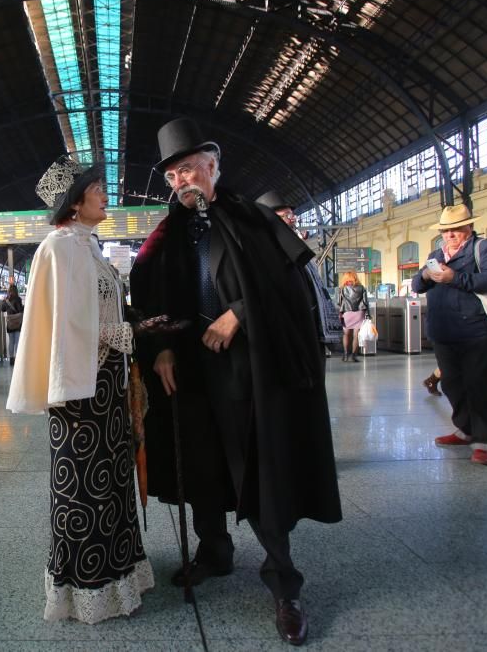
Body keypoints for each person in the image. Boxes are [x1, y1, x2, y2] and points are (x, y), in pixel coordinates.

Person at [129, 118, 341, 646]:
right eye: (174, 174)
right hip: (190, 369)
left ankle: (283, 584)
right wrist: (162, 351)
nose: (183, 180)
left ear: (213, 167)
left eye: (191, 169)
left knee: (260, 464)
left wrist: (239, 314)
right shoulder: (165, 235)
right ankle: (214, 551)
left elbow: (289, 287)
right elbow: (151, 301)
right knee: (200, 462)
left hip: (249, 366)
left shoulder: (250, 219)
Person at [7, 155, 152, 624]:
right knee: (83, 488)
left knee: (111, 480)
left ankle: (118, 574)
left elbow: (99, 312)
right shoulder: (62, 246)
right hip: (79, 388)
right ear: (75, 202)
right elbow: (70, 324)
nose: (106, 196)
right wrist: (128, 334)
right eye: (98, 190)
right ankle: (87, 583)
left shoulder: (88, 246)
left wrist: (131, 327)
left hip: (103, 382)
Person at [411, 205, 487, 466]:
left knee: (479, 384)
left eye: (456, 229)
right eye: (446, 230)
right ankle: (464, 430)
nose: (450, 234)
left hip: (476, 330)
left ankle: (484, 441)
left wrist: (455, 277)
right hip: (443, 330)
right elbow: (416, 286)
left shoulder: (486, 249)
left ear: (469, 228)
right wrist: (424, 274)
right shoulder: (436, 253)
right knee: (452, 383)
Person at [256, 192, 343, 360]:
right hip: (287, 338)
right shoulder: (263, 253)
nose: (293, 219)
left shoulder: (296, 250)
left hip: (310, 333)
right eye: (287, 215)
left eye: (293, 215)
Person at [337, 271, 369, 362]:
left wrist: (340, 313)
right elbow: (366, 302)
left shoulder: (342, 289)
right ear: (355, 277)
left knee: (346, 334)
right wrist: (368, 314)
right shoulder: (361, 288)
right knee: (356, 335)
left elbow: (339, 303)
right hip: (359, 313)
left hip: (347, 313)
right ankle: (354, 356)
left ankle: (346, 355)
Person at [2, 284, 24, 366]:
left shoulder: (7, 300)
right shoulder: (18, 299)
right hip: (17, 323)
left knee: (11, 341)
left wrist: (5, 302)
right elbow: (20, 310)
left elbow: (2, 309)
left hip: (10, 323)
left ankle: (11, 358)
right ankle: (17, 358)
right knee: (17, 341)